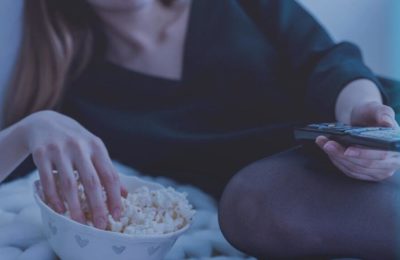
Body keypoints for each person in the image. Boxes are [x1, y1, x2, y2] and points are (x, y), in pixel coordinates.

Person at [0, 0, 398, 257]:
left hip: (370, 122)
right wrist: (30, 128)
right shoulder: (77, 91)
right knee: (252, 204)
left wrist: (363, 116)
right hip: (293, 189)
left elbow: (330, 60)